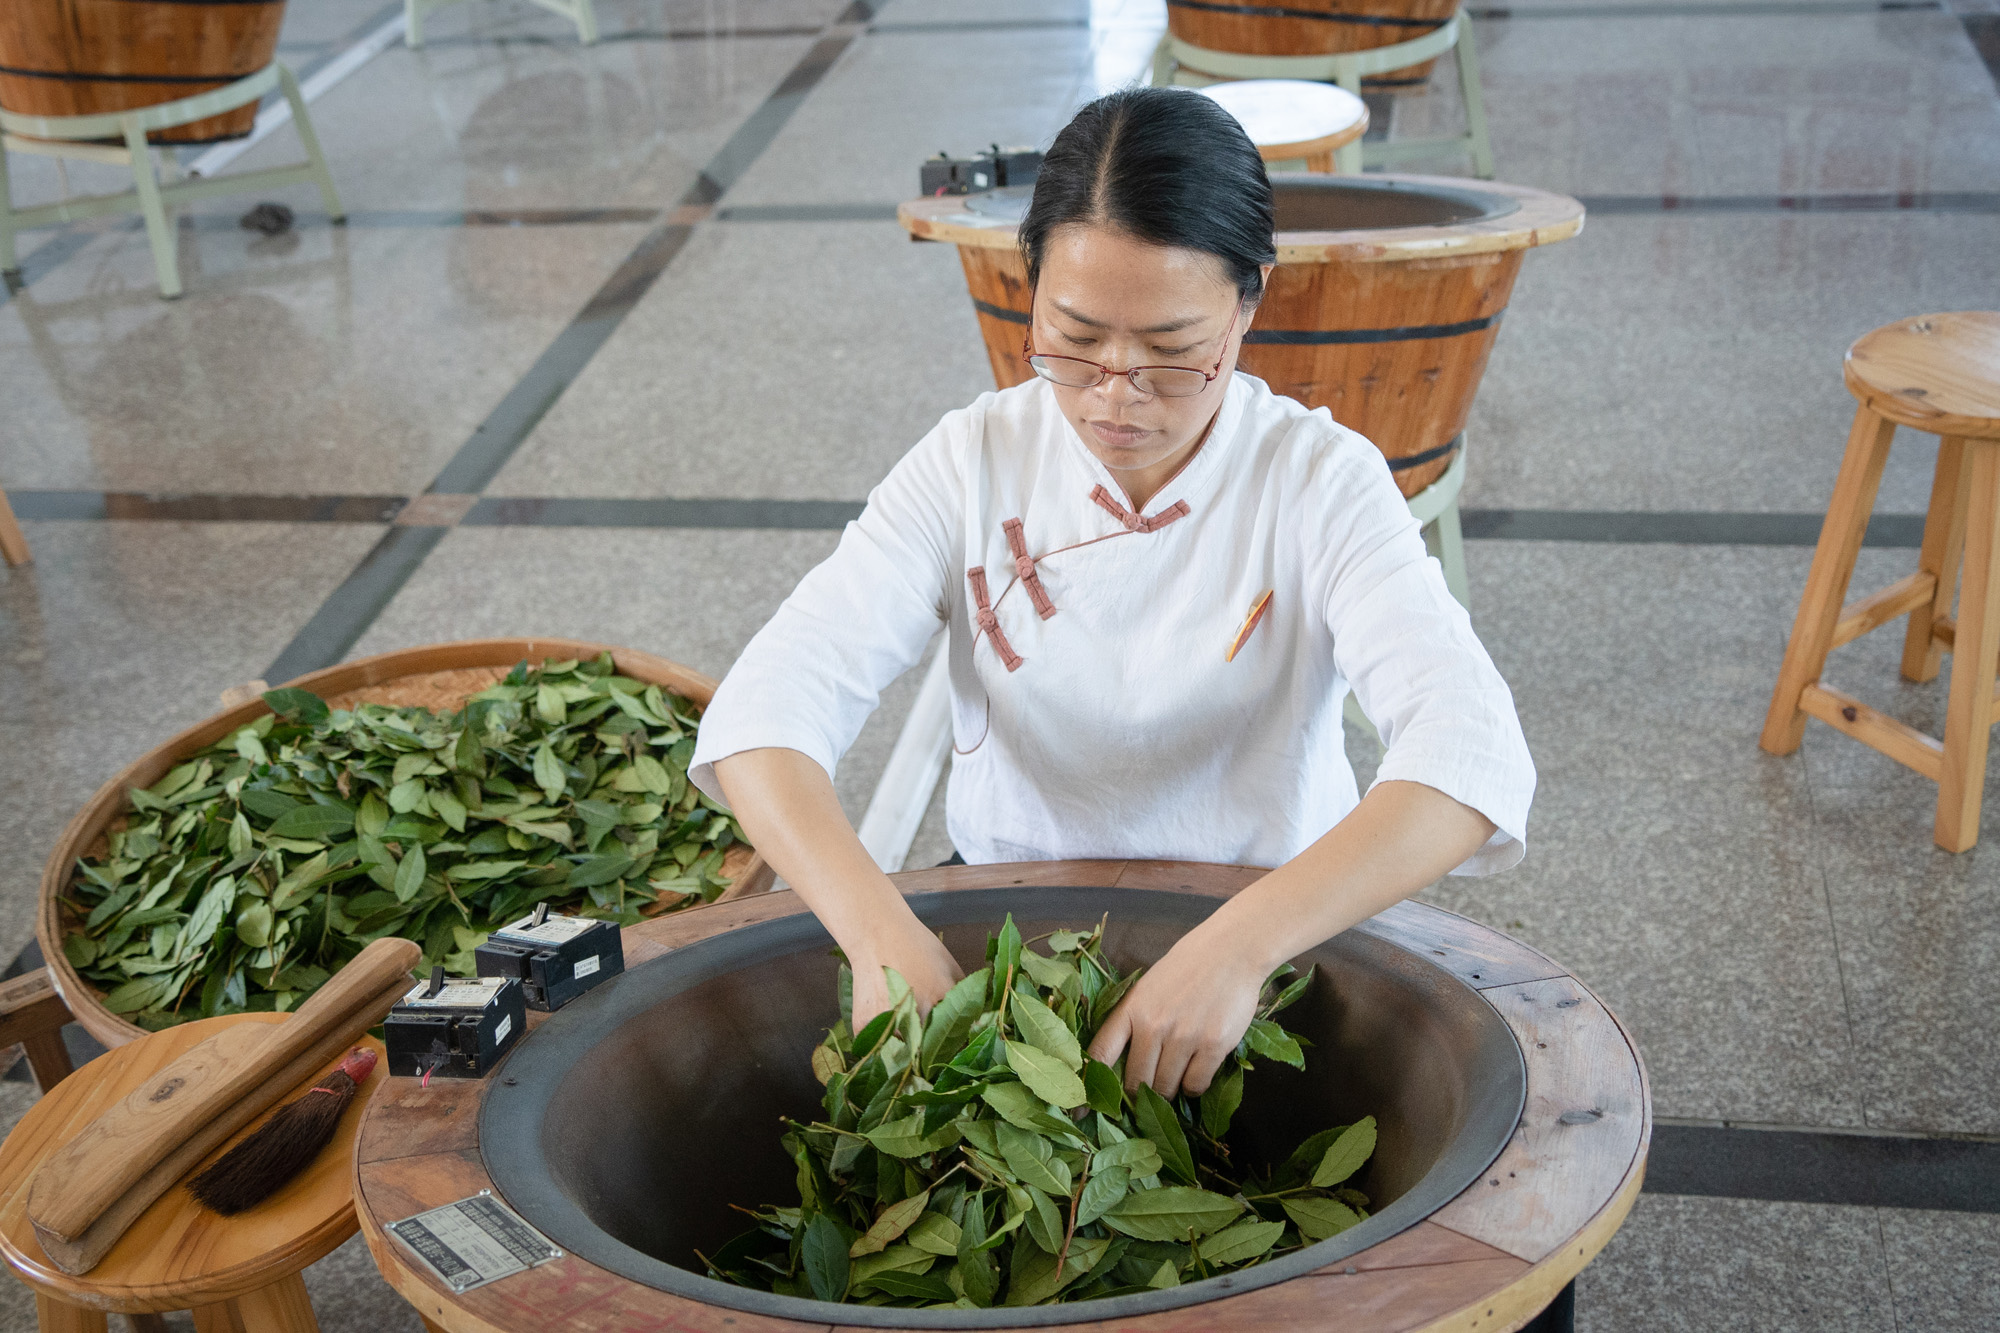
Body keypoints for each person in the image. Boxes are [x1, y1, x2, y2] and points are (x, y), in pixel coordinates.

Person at [690, 86, 1534, 1102]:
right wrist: (875, 932)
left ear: (1249, 301)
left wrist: (1237, 947)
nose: (1114, 394)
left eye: (1174, 350)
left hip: (1263, 931)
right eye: (1075, 337)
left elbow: (1467, 754)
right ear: (1029, 285)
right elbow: (764, 712)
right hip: (1008, 925)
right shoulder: (971, 461)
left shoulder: (1316, 480)